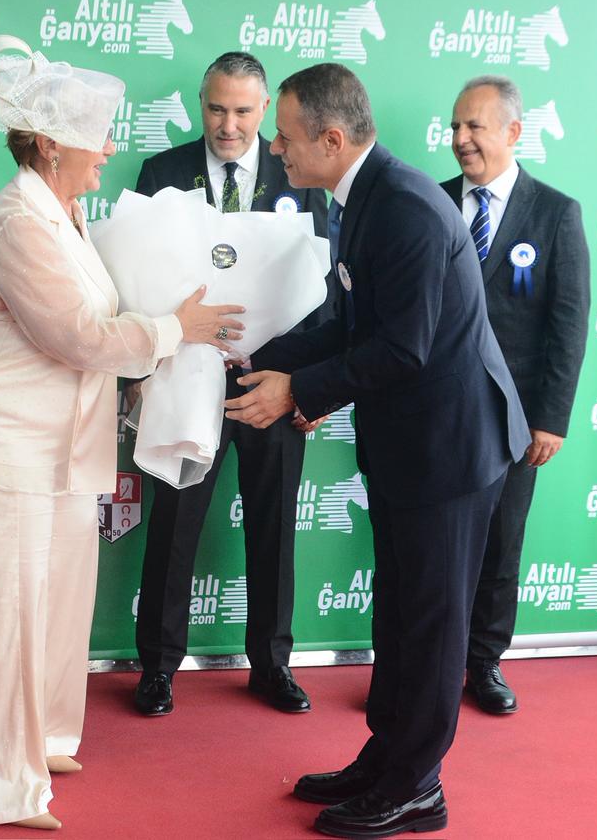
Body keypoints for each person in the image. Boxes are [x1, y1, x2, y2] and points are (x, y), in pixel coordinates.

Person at [0, 37, 244, 831]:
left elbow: (98, 326)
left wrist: (160, 339)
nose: (108, 151)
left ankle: (40, 741)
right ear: (50, 146)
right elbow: (77, 336)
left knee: (55, 611)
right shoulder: (18, 222)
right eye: (96, 138)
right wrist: (175, 329)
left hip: (60, 451)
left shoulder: (63, 213)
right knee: (0, 620)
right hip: (0, 451)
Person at [226, 63, 528, 839]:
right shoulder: (361, 198)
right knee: (398, 615)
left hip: (451, 452)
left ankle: (417, 787)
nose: (275, 150)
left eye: (285, 138)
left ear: (331, 139)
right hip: (409, 447)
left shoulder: (405, 208)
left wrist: (297, 392)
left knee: (429, 626)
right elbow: (350, 325)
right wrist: (258, 358)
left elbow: (403, 348)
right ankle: (386, 759)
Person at [130, 51, 331, 718]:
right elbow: (137, 277)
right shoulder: (161, 174)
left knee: (274, 526)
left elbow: (326, 298)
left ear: (264, 109)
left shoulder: (300, 175)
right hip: (186, 378)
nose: (228, 124)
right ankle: (158, 667)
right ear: (201, 102)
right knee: (173, 524)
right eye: (217, 108)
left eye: (243, 111)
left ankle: (271, 664)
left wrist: (309, 387)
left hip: (274, 383)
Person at [443, 75, 589, 715]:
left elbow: (568, 322)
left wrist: (550, 418)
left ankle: (484, 663)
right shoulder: (430, 202)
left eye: (474, 126)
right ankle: (422, 667)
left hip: (515, 417)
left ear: (513, 132)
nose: (461, 139)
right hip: (433, 413)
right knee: (429, 549)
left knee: (501, 544)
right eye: (455, 126)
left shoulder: (555, 212)